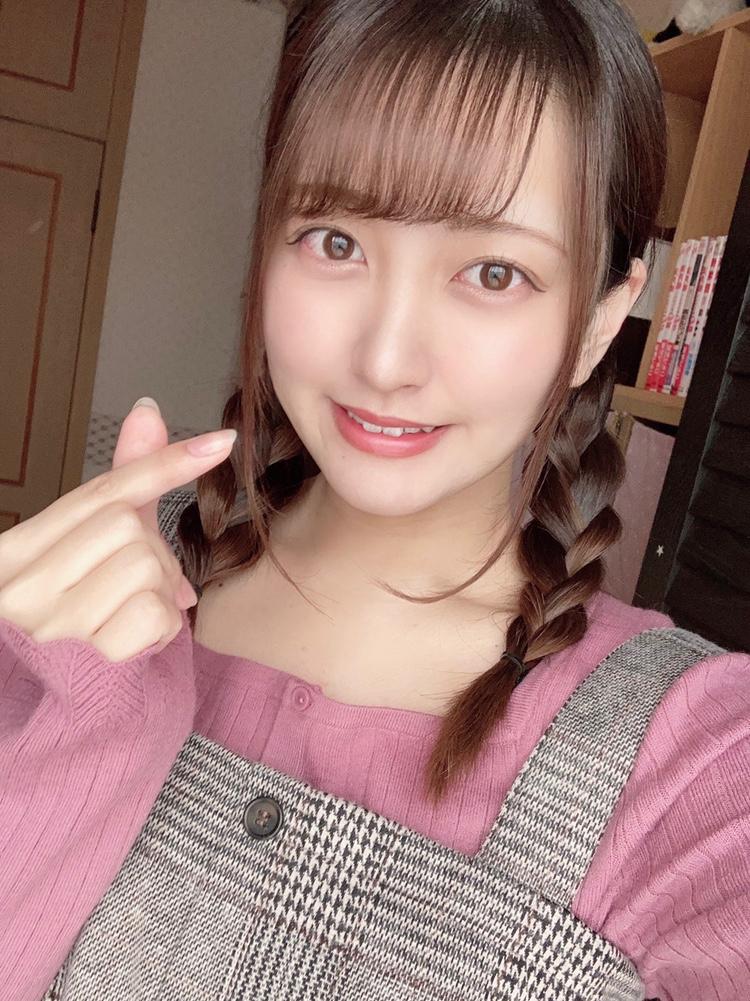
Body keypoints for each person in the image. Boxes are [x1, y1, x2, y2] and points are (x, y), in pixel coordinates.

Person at [0, 1, 748, 999]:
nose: (387, 358)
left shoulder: (694, 754)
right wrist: (72, 716)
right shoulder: (87, 594)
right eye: (335, 241)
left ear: (602, 320)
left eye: (494, 272)